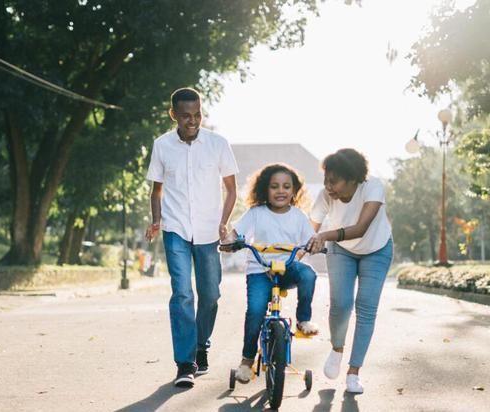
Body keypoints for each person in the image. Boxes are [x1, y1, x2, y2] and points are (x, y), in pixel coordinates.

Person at [145, 87, 238, 388]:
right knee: (183, 293)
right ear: (173, 115)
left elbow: (231, 189)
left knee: (210, 294)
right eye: (186, 116)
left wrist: (224, 222)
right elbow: (156, 189)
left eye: (197, 114)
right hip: (175, 229)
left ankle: (201, 345)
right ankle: (185, 362)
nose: (193, 120)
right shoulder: (162, 145)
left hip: (209, 231)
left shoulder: (218, 144)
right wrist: (157, 220)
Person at [307, 148, 393, 394]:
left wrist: (324, 235)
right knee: (341, 304)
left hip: (376, 249)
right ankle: (337, 349)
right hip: (341, 251)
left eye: (333, 181)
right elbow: (309, 229)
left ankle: (354, 372)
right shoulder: (326, 196)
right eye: (326, 180)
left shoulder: (372, 187)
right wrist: (298, 250)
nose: (328, 186)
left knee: (366, 307)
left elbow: (361, 228)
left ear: (353, 178)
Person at [222, 163, 318, 383]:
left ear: (294, 191)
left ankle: (304, 320)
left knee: (309, 275)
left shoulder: (299, 216)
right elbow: (236, 233)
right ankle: (246, 361)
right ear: (265, 189)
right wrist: (229, 242)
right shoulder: (256, 213)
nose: (281, 191)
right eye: (274, 186)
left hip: (287, 268)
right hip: (259, 270)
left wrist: (314, 244)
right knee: (255, 311)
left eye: (286, 186)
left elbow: (309, 240)